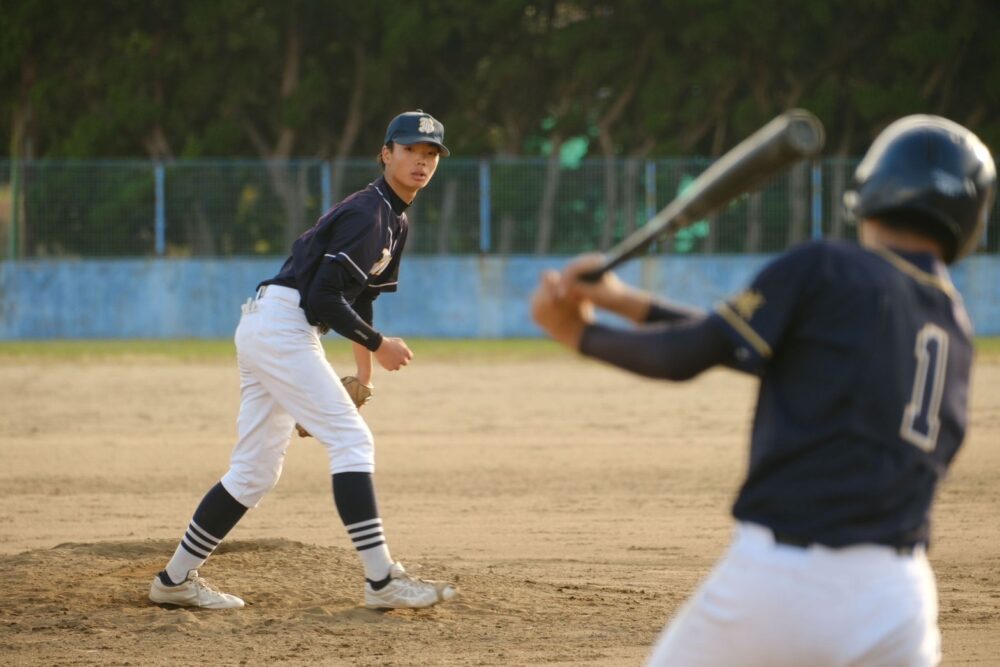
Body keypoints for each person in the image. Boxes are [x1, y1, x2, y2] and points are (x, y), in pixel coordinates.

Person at [531, 115, 996, 666]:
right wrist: (627, 303)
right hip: (902, 602)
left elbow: (689, 354)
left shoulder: (827, 267)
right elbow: (757, 346)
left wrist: (574, 331)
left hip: (788, 582)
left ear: (870, 190)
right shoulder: (954, 326)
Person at [149, 110, 458, 610]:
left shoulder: (393, 218)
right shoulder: (369, 213)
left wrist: (363, 372)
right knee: (352, 442)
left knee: (253, 472)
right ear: (386, 154)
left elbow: (359, 298)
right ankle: (381, 581)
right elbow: (322, 300)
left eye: (430, 155)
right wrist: (379, 344)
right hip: (284, 326)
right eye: (409, 151)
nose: (420, 162)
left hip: (268, 325)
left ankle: (174, 580)